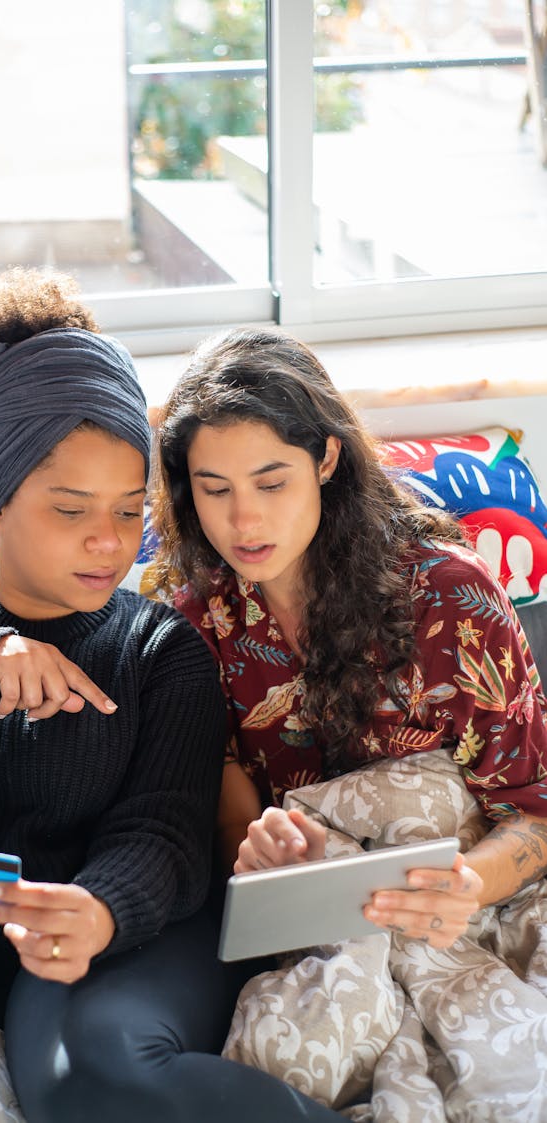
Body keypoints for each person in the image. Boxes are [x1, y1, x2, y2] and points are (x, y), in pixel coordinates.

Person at [0, 272, 346, 1123]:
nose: (108, 542)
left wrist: (99, 909)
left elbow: (164, 829)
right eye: (71, 508)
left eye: (130, 512)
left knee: (93, 1077)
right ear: (0, 498)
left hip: (117, 953)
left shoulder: (159, 650)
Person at [151, 326, 547, 950]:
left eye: (272, 482)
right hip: (316, 921)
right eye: (215, 489)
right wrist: (262, 855)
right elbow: (232, 820)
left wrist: (466, 885)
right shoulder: (193, 622)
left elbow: (535, 809)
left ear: (327, 460)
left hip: (463, 902)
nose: (244, 520)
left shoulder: (454, 599)